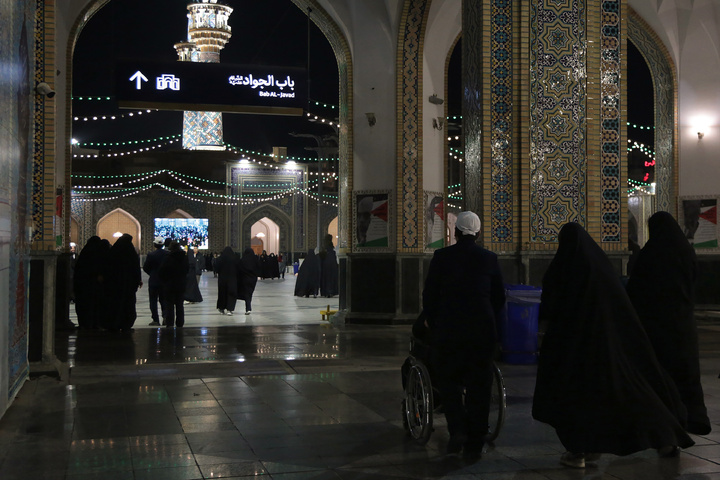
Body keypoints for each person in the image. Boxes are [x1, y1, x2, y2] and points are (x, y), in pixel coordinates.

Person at [532, 222, 694, 469]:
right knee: (632, 390)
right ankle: (664, 436)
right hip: (612, 345)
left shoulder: (563, 268)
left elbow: (551, 305)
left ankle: (579, 452)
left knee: (576, 398)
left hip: (574, 350)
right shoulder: (602, 268)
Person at [422, 211, 505, 458]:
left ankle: (457, 429)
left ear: (455, 232)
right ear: (478, 234)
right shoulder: (489, 259)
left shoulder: (441, 257)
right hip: (482, 333)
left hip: (449, 332)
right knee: (479, 388)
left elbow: (430, 295)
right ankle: (475, 442)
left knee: (449, 383)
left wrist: (434, 323)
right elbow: (499, 298)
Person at [626, 211, 712, 435]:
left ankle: (664, 423)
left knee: (660, 375)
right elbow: (694, 282)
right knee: (687, 372)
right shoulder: (686, 251)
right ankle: (695, 417)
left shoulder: (650, 254)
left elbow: (637, 289)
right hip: (683, 323)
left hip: (655, 326)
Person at [106, 233, 143, 331]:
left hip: (116, 284)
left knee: (116, 303)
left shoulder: (114, 252)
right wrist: (138, 280)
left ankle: (114, 324)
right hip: (129, 285)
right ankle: (126, 324)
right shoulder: (131, 252)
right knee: (128, 304)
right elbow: (136, 268)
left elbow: (108, 267)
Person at [73, 236, 108, 329]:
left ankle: (84, 324)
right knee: (95, 305)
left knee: (84, 305)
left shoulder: (85, 254)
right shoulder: (100, 255)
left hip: (83, 285)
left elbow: (78, 270)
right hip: (95, 286)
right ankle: (95, 323)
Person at [159, 241, 188, 328]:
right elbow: (187, 269)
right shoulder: (184, 257)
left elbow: (162, 271)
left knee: (169, 305)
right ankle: (180, 323)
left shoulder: (168, 258)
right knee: (180, 305)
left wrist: (165, 280)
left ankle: (170, 323)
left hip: (169, 284)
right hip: (180, 284)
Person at [143, 236, 169, 326]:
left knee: (153, 301)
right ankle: (165, 317)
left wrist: (152, 273)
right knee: (164, 300)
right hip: (164, 281)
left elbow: (145, 267)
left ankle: (155, 320)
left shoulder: (151, 255)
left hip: (154, 281)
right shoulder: (167, 254)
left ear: (154, 244)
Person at [216, 246, 239, 315]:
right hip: (232, 279)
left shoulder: (220, 259)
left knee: (222, 294)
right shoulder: (234, 258)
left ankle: (221, 308)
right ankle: (230, 309)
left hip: (222, 280)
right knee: (231, 293)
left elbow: (217, 269)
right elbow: (238, 269)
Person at [237, 247, 260, 314]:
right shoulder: (255, 259)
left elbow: (239, 269)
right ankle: (248, 307)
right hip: (253, 279)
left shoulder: (243, 260)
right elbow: (259, 267)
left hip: (245, 279)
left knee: (247, 293)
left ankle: (248, 308)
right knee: (249, 292)